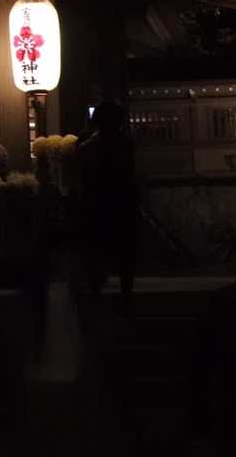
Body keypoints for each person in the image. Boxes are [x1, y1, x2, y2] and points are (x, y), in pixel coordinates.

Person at [76, 101, 139, 317]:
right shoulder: (126, 144)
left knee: (96, 251)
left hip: (96, 205)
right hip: (122, 204)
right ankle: (126, 297)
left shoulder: (87, 147)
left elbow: (83, 179)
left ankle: (96, 300)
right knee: (125, 255)